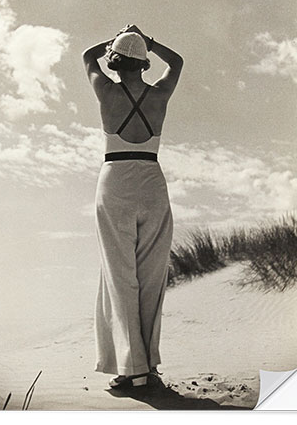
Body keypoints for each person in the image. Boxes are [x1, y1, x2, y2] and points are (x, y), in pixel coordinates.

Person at [82, 24, 183, 389]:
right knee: (151, 277)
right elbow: (178, 62)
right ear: (143, 65)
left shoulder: (106, 91)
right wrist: (149, 41)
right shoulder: (159, 95)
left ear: (116, 62)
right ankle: (148, 366)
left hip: (115, 182)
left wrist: (113, 39)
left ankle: (133, 369)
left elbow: (86, 57)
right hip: (152, 183)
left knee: (119, 277)